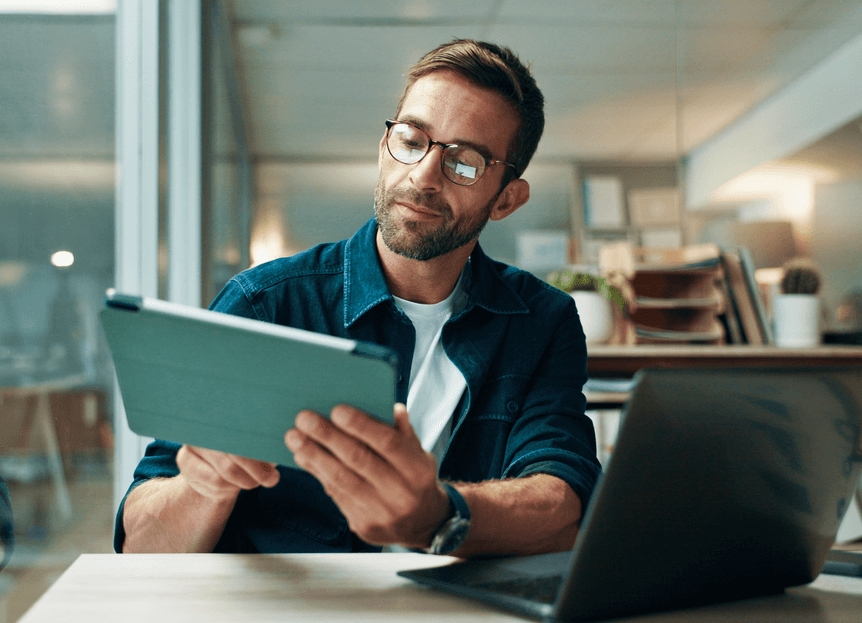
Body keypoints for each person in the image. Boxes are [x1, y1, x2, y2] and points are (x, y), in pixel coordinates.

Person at [116, 39, 601, 558]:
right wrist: (202, 487)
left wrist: (436, 516)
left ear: (506, 198)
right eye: (412, 140)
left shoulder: (542, 321)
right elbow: (141, 548)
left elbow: (563, 505)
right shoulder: (265, 305)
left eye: (465, 162)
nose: (423, 176)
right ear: (384, 146)